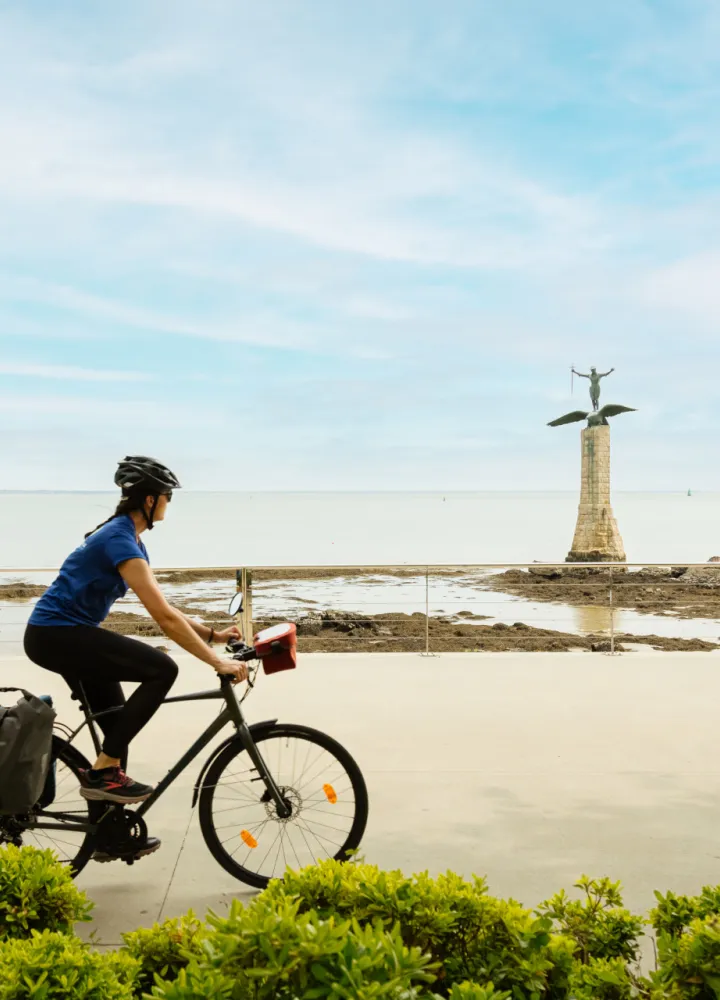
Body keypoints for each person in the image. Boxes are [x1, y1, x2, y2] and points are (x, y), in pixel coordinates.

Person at [24, 456, 246, 858]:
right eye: (166, 497)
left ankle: (107, 835)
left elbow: (165, 606)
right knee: (162, 669)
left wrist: (212, 634)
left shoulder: (127, 536)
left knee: (116, 720)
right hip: (56, 635)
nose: (168, 504)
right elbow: (162, 617)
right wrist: (217, 662)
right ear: (149, 500)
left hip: (63, 634)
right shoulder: (119, 539)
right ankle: (101, 771)